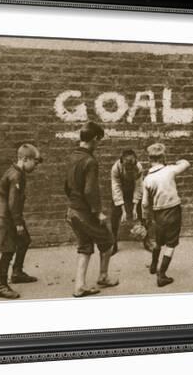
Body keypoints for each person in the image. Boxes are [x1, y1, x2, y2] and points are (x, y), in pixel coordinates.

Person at [64, 122, 119, 297]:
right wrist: (98, 212)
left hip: (72, 211)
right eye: (99, 141)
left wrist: (74, 202)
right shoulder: (90, 161)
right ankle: (103, 276)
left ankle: (79, 286)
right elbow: (90, 190)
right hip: (85, 213)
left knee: (85, 246)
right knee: (108, 242)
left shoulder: (72, 157)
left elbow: (66, 186)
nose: (98, 145)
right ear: (95, 139)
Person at [0, 144, 43, 299]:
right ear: (24, 159)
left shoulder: (17, 172)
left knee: (24, 240)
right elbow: (13, 202)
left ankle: (17, 272)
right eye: (34, 162)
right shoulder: (16, 176)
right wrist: (18, 223)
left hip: (11, 217)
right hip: (6, 219)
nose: (35, 165)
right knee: (8, 250)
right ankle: (1, 285)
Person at [142, 143, 190, 287]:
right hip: (173, 211)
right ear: (163, 156)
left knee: (158, 241)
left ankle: (153, 265)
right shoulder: (170, 170)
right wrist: (176, 162)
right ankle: (161, 275)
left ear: (149, 159)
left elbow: (144, 203)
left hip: (158, 214)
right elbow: (186, 163)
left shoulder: (147, 179)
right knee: (171, 244)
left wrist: (145, 218)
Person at [110, 150, 153, 252]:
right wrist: (123, 210)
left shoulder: (138, 167)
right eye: (127, 167)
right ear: (121, 162)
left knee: (143, 211)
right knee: (114, 215)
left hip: (134, 190)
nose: (129, 169)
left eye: (131, 167)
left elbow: (139, 187)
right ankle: (113, 243)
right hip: (121, 191)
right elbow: (116, 188)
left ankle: (146, 240)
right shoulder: (115, 168)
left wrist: (134, 207)